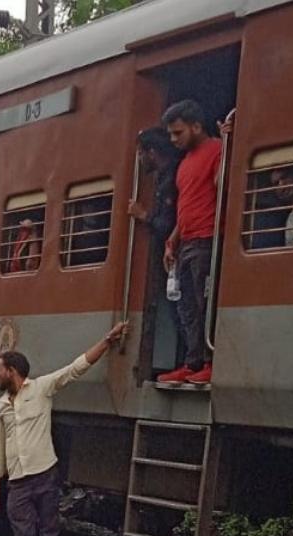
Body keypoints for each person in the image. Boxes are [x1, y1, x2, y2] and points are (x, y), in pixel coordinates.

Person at [0, 321, 128, 536]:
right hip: (18, 483)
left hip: (44, 475)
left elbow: (75, 368)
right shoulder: (1, 405)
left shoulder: (41, 389)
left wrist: (106, 341)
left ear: (12, 370)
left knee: (49, 533)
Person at [159, 100, 228, 386]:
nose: (174, 140)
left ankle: (212, 362)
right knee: (186, 305)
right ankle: (193, 362)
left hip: (207, 237)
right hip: (186, 241)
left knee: (205, 302)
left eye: (178, 133)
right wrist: (172, 240)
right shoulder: (184, 164)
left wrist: (228, 143)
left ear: (197, 126)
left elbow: (223, 186)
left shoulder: (216, 150)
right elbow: (186, 206)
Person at [130, 126, 185, 372]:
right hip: (177, 252)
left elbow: (169, 222)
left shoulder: (171, 177)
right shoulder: (168, 174)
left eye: (142, 153)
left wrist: (144, 215)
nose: (140, 160)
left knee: (183, 308)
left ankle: (186, 363)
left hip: (179, 252)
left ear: (152, 152)